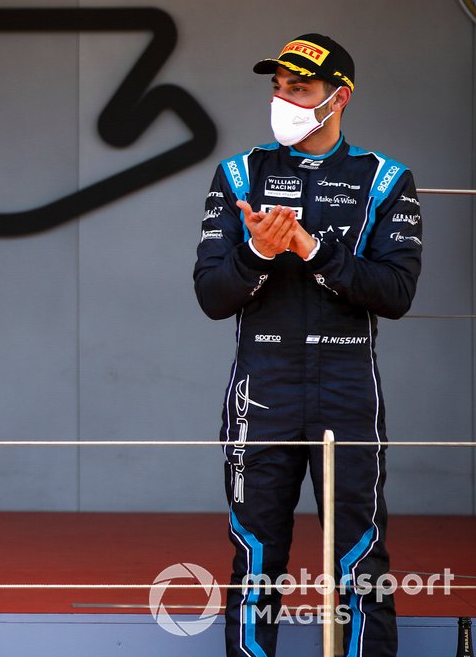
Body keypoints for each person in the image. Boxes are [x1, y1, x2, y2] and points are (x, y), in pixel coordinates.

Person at [194, 34, 422, 656]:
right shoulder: (239, 174)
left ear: (339, 97)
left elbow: (397, 292)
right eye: (277, 87)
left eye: (300, 89)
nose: (283, 99)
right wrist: (259, 252)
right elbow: (212, 297)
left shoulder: (385, 179)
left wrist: (312, 250)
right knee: (255, 548)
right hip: (262, 385)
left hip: (347, 385)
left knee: (359, 549)